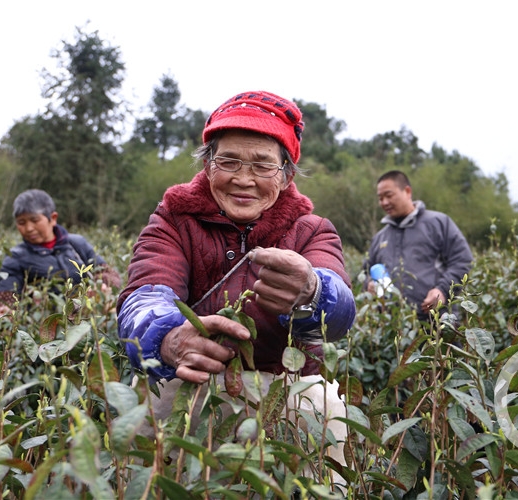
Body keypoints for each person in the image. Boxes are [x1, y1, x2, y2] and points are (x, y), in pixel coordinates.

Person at [116, 91, 356, 469]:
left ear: (287, 174)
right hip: (192, 385)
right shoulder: (174, 221)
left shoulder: (311, 232)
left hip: (285, 390)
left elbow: (340, 312)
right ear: (208, 165)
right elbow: (145, 294)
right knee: (152, 420)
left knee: (321, 417)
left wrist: (313, 291)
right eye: (228, 161)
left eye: (263, 166)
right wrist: (169, 338)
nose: (244, 179)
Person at [0, 189, 122, 319]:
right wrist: (5, 311)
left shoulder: (77, 244)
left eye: (35, 220)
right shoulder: (15, 257)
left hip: (87, 321)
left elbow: (108, 272)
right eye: (21, 223)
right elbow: (6, 294)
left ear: (53, 218)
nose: (29, 228)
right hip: (46, 328)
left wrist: (102, 286)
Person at [366, 170, 473, 320]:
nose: (384, 202)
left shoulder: (438, 223)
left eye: (389, 196)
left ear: (407, 191)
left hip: (437, 324)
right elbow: (365, 271)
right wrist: (369, 284)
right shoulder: (380, 237)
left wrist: (442, 290)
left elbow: (462, 261)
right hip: (393, 329)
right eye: (380, 198)